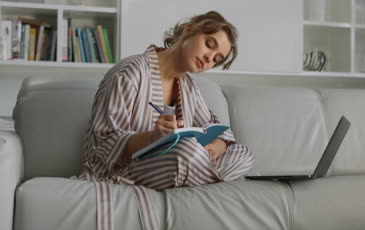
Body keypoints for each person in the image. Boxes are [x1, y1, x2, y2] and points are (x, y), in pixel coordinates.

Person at [77, 11, 254, 191]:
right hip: (125, 171)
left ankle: (191, 173)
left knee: (243, 154)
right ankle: (194, 175)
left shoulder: (189, 88)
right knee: (187, 151)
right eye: (209, 45)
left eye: (216, 59)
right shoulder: (129, 72)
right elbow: (101, 145)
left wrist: (214, 148)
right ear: (188, 30)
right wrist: (153, 137)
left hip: (179, 165)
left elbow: (220, 133)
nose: (210, 58)